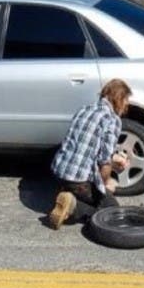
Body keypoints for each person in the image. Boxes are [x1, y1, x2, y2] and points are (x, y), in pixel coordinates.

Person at [49, 79, 133, 229]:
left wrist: (115, 159)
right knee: (111, 211)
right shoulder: (112, 119)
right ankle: (74, 206)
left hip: (58, 172)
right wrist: (105, 187)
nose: (127, 106)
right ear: (118, 99)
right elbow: (104, 162)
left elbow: (87, 147)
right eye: (126, 101)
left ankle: (67, 191)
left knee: (99, 189)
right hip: (78, 181)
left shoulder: (84, 109)